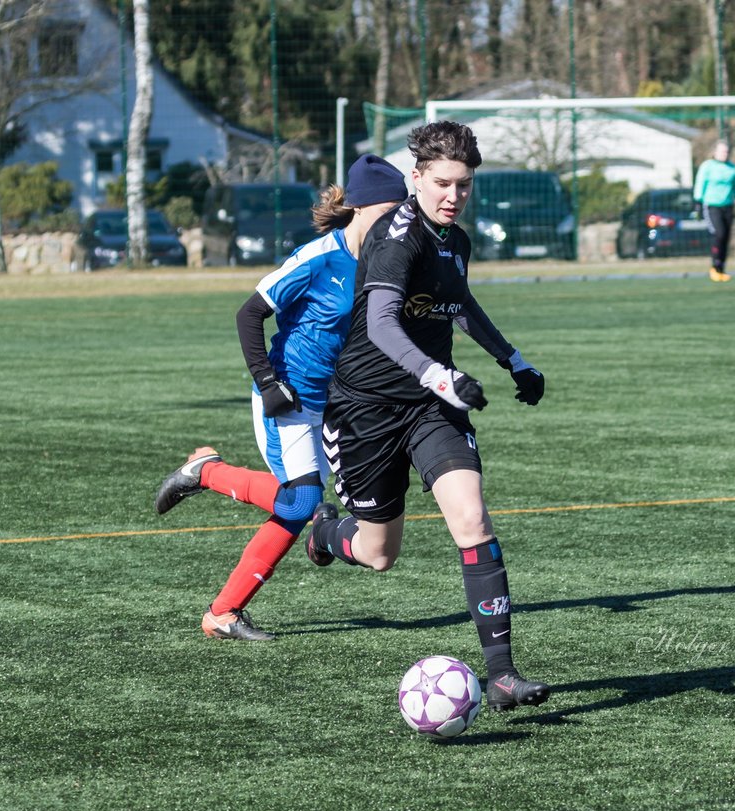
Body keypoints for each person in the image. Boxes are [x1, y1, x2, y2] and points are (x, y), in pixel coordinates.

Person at [303, 121, 551, 713]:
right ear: (416, 178)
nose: (453, 196)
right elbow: (383, 325)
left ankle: (503, 675)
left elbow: (458, 303)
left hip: (431, 408)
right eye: (442, 183)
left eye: (464, 185)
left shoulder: (454, 240)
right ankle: (326, 532)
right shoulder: (397, 237)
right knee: (379, 553)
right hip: (364, 409)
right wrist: (441, 375)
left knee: (473, 520)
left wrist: (512, 359)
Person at [153, 155, 409, 641]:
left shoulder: (387, 262)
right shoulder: (318, 258)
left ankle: (215, 480)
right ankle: (222, 607)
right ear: (357, 208)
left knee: (312, 501)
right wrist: (269, 384)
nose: (395, 222)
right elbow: (248, 315)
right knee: (300, 502)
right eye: (387, 211)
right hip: (289, 397)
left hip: (341, 402)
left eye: (402, 212)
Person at [693, 141, 735, 282]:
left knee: (726, 237)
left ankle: (721, 268)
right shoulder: (708, 166)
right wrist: (698, 201)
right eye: (722, 151)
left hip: (727, 206)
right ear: (715, 152)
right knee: (719, 234)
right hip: (711, 206)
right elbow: (700, 183)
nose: (724, 154)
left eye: (726, 152)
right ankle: (714, 267)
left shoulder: (731, 168)